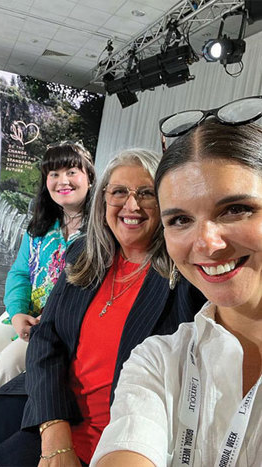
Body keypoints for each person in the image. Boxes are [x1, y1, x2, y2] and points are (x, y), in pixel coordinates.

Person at [0, 148, 206, 466]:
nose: (131, 205)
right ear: (104, 199)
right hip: (50, 393)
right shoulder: (86, 254)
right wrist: (53, 425)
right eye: (120, 191)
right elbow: (46, 336)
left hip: (105, 427)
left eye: (146, 193)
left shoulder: (184, 277)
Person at [93, 119, 262, 466]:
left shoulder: (168, 282)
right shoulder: (158, 361)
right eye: (181, 220)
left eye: (235, 209)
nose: (208, 244)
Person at [0, 142, 95, 406]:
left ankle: (2, 437)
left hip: (62, 324)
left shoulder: (100, 233)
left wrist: (44, 320)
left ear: (90, 178)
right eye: (54, 174)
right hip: (25, 313)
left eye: (72, 171)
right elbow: (20, 274)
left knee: (7, 366)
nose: (62, 181)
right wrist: (16, 314)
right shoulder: (41, 226)